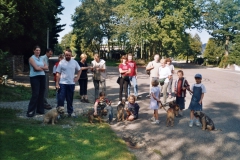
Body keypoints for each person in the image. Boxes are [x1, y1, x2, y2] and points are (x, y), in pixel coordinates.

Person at [56, 49, 82, 117]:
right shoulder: (61, 62)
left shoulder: (74, 62)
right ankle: (59, 113)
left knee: (70, 99)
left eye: (69, 55)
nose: (68, 56)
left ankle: (70, 112)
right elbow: (58, 73)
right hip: (62, 83)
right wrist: (57, 83)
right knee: (61, 99)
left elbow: (79, 70)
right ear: (64, 55)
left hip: (71, 83)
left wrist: (77, 77)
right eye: (66, 55)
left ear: (71, 55)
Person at [26, 45, 48, 117]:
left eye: (39, 50)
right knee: (35, 93)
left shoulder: (41, 58)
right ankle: (31, 111)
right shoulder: (31, 58)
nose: (38, 51)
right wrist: (43, 68)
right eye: (36, 50)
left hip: (42, 76)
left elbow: (47, 67)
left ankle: (40, 110)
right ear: (34, 50)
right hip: (34, 77)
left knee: (41, 93)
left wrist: (40, 67)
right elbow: (35, 68)